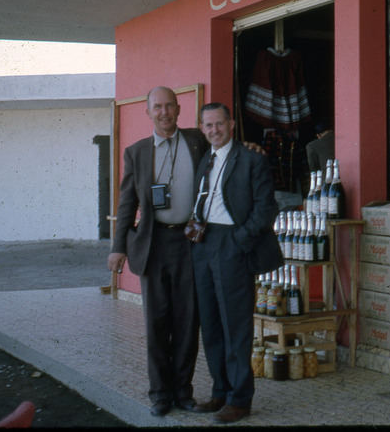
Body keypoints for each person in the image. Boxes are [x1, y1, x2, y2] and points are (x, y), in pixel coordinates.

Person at [107, 86, 204, 417]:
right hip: (153, 244)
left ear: (179, 109)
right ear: (147, 112)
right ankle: (160, 394)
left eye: (169, 106)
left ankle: (183, 391)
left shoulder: (197, 142)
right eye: (157, 107)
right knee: (157, 322)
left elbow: (225, 153)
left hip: (191, 243)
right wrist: (117, 247)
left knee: (189, 322)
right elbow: (126, 203)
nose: (164, 112)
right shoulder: (136, 152)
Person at [191, 102, 279, 424]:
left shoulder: (252, 159)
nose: (214, 130)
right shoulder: (206, 160)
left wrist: (239, 242)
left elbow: (266, 208)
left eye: (219, 124)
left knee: (235, 325)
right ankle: (220, 391)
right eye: (208, 125)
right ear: (202, 128)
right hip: (202, 245)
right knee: (211, 323)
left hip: (232, 244)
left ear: (231, 124)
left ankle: (240, 398)